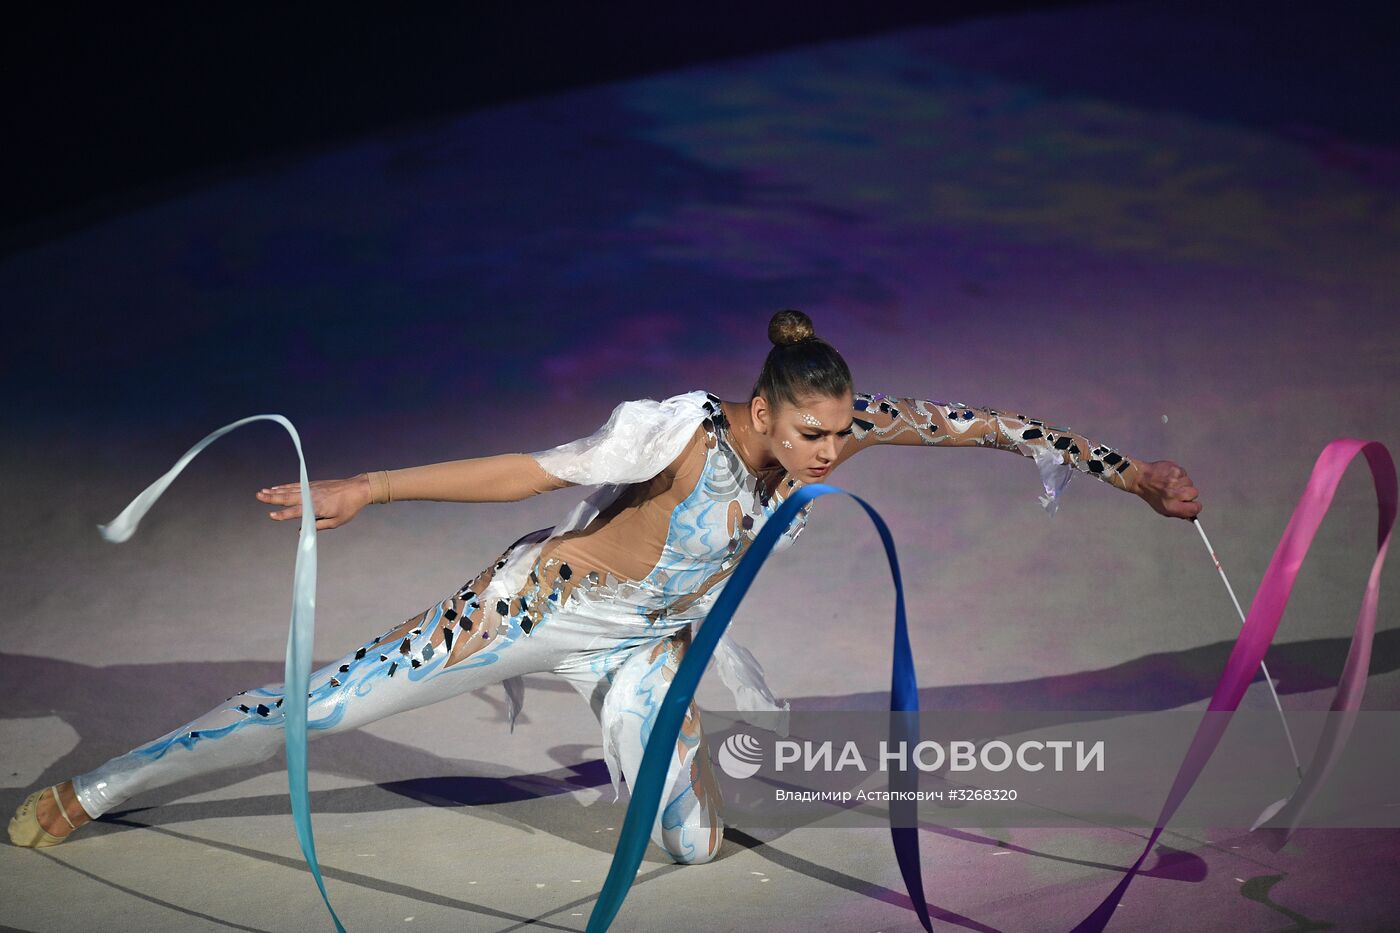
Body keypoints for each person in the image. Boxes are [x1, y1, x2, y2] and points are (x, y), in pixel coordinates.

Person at [8, 309, 1201, 863]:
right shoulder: (671, 429)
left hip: (645, 646)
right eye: (811, 435)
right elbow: (532, 469)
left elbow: (984, 425)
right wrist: (371, 488)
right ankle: (102, 789)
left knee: (687, 848)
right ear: (760, 407)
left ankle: (652, 747)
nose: (831, 456)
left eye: (841, 434)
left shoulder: (840, 427)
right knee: (318, 710)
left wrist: (1128, 473)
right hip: (531, 613)